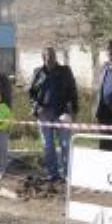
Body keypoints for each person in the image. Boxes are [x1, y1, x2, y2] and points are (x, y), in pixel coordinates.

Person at [28, 47, 79, 182]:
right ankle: (53, 174)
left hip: (62, 113)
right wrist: (36, 107)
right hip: (44, 114)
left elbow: (73, 91)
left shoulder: (65, 71)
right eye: (48, 56)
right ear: (43, 58)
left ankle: (68, 175)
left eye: (53, 56)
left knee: (65, 144)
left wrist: (73, 110)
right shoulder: (37, 72)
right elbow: (31, 93)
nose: (51, 59)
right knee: (48, 145)